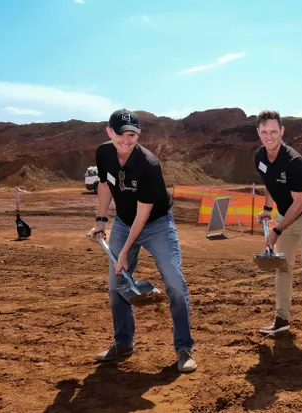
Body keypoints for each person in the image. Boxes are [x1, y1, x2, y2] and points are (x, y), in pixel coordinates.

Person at [86, 109, 196, 373]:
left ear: (139, 135)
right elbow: (105, 185)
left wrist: (124, 253)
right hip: (124, 221)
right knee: (116, 284)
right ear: (109, 132)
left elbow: (143, 215)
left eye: (132, 135)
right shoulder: (104, 153)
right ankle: (123, 343)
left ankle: (184, 348)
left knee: (174, 283)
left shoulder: (148, 165)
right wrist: (101, 221)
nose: (126, 140)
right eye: (121, 134)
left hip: (156, 224)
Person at [254, 109, 302, 342]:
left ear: (282, 131)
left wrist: (277, 230)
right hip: (285, 216)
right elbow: (268, 182)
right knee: (283, 267)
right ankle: (281, 319)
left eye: (274, 131)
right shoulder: (260, 157)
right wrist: (267, 208)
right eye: (265, 132)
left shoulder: (294, 162)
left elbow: (300, 203)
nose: (269, 136)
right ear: (258, 132)